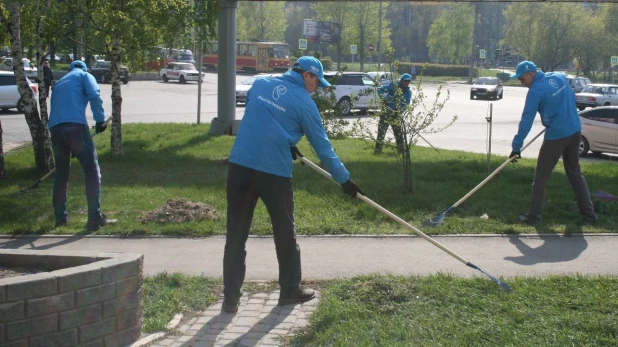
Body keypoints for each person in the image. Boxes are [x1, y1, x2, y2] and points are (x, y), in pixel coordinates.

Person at [223, 56, 363, 312]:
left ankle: (230, 300)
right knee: (285, 233)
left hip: (240, 167)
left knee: (236, 235)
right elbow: (323, 148)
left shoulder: (261, 85)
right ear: (306, 75)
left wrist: (284, 139)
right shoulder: (305, 105)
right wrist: (345, 180)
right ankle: (289, 291)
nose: (317, 87)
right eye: (317, 82)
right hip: (273, 174)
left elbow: (262, 119)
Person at [509, 60, 597, 225]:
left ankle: (533, 217)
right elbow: (572, 98)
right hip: (575, 130)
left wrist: (516, 147)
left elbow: (526, 120)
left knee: (541, 176)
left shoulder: (535, 90)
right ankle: (589, 216)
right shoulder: (559, 77)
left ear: (531, 74)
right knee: (574, 173)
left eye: (522, 79)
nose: (522, 83)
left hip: (557, 135)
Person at [48, 60, 116, 231]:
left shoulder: (59, 83)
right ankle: (94, 218)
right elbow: (94, 96)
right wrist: (100, 120)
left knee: (61, 176)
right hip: (75, 127)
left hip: (55, 130)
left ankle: (60, 219)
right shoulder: (85, 76)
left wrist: (69, 145)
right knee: (92, 172)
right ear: (84, 68)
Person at [374, 73, 412, 153]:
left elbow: (406, 104)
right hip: (386, 112)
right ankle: (377, 151)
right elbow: (379, 89)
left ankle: (401, 151)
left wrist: (399, 111)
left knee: (398, 134)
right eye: (405, 81)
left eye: (408, 81)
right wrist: (384, 101)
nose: (406, 83)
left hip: (396, 114)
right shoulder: (393, 86)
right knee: (381, 132)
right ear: (401, 80)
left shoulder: (408, 92)